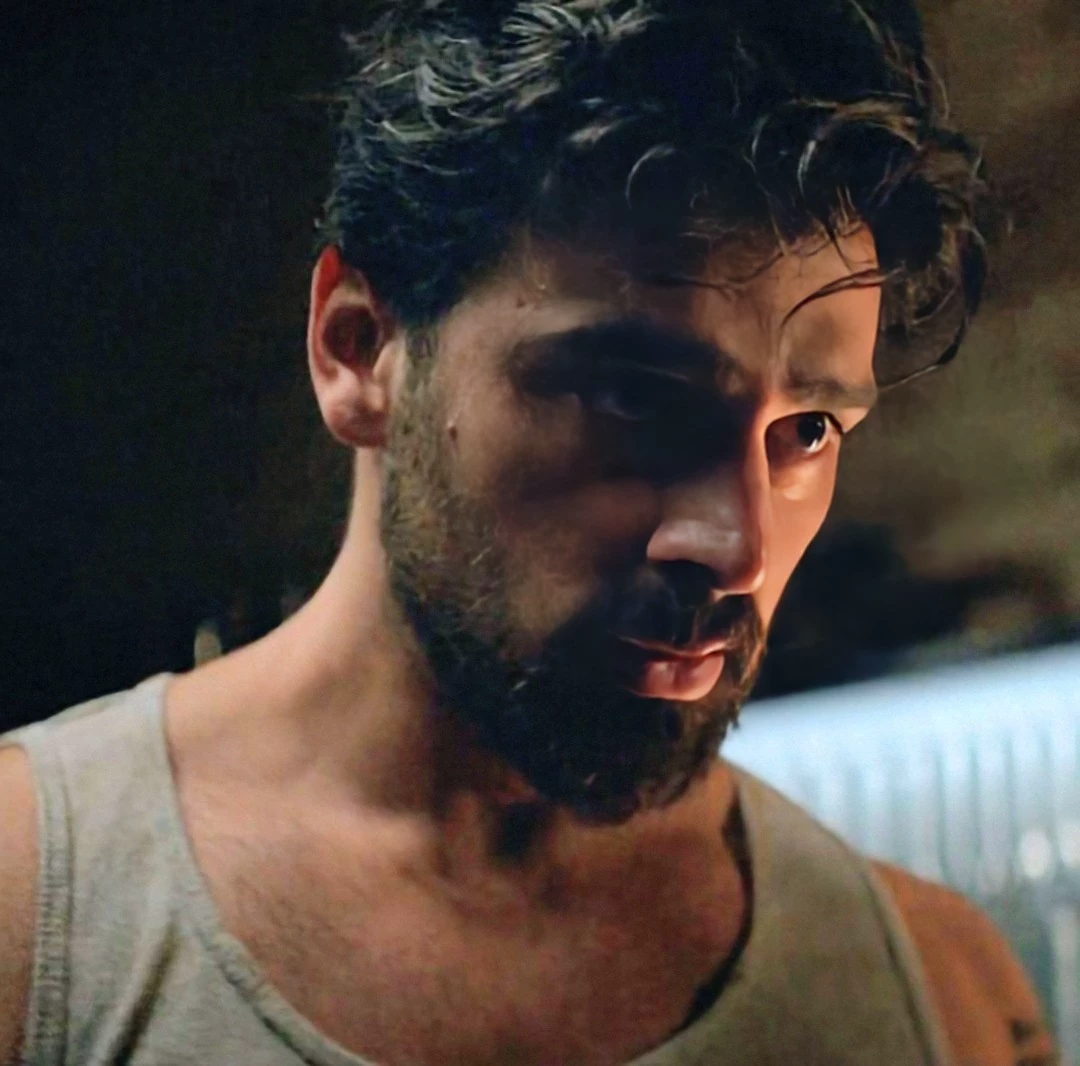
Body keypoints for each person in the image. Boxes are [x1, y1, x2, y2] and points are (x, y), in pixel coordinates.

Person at [0, 1, 1058, 1064]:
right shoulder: (33, 912)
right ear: (358, 349)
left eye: (808, 430)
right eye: (635, 398)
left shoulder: (944, 995)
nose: (736, 546)